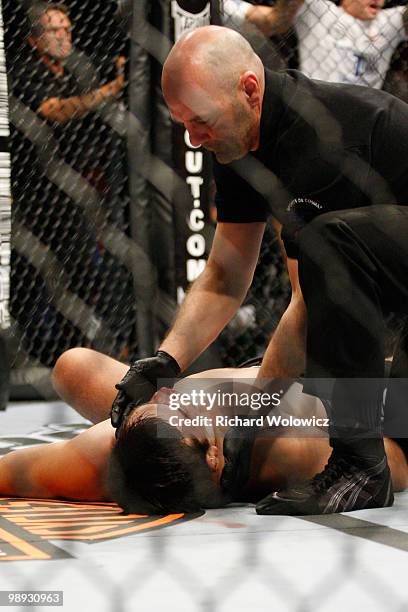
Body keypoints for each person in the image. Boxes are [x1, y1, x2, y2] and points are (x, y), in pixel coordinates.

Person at [109, 25, 408, 516]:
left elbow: (308, 307)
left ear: (249, 89)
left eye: (200, 120)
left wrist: (245, 424)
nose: (193, 136)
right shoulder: (237, 141)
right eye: (183, 123)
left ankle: (358, 463)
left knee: (327, 242)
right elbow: (226, 275)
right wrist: (167, 360)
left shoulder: (321, 143)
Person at [0, 348, 406, 512]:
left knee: (74, 366)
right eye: (186, 415)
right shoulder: (286, 449)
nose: (168, 397)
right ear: (214, 457)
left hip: (277, 369)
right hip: (351, 394)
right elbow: (393, 466)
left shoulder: (111, 451)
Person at [225, 0, 408, 89]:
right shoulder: (320, 10)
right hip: (317, 99)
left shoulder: (389, 22)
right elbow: (274, 21)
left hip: (367, 109)